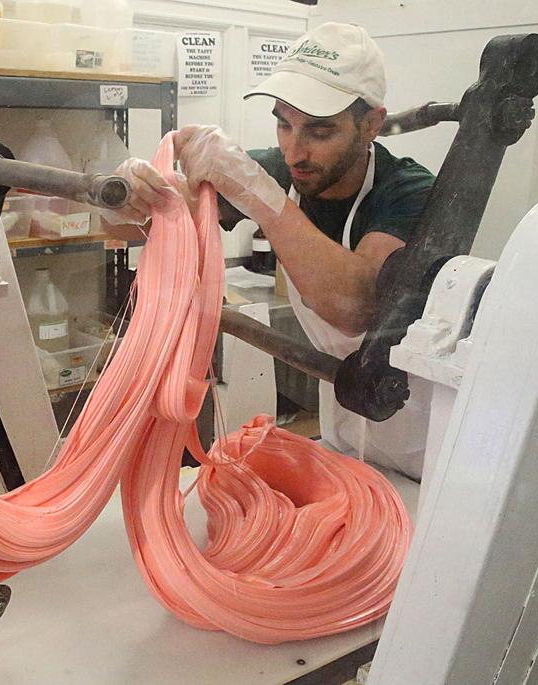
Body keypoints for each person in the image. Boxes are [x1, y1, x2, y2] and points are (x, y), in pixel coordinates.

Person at [103, 23, 436, 479]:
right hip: (343, 417)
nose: (294, 149)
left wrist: (260, 195)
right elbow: (129, 227)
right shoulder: (287, 171)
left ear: (371, 125)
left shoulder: (411, 192)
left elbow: (357, 305)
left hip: (422, 429)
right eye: (283, 122)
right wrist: (130, 195)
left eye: (319, 132)